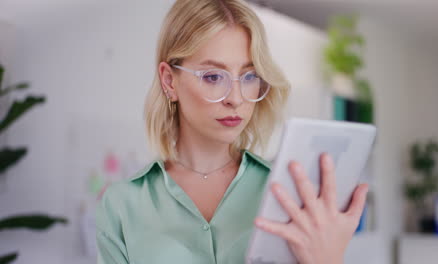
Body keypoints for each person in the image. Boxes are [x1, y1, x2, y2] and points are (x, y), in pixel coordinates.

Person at [95, 0, 369, 263]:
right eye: (213, 76)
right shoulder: (122, 204)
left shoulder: (287, 194)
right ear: (169, 81)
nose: (236, 98)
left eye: (249, 76)